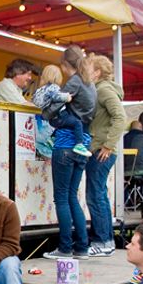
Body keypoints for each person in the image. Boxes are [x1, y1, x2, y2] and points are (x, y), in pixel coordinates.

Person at [45, 45, 96, 259]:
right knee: (73, 197)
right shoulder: (90, 84)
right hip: (82, 144)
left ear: (66, 65)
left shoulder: (74, 82)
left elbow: (56, 104)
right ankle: (82, 247)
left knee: (61, 198)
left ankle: (65, 247)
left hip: (65, 144)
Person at [84, 54, 127, 256]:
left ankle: (102, 241)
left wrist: (108, 145)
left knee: (95, 195)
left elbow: (121, 117)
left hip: (100, 150)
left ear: (98, 72)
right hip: (102, 148)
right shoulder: (104, 89)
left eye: (89, 68)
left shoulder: (103, 90)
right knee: (99, 194)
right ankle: (107, 240)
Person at [32, 64, 90, 157]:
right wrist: (67, 97)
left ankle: (52, 137)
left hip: (50, 118)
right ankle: (79, 144)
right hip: (59, 115)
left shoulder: (39, 90)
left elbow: (36, 101)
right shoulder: (53, 87)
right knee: (77, 123)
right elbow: (56, 96)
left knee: (59, 126)